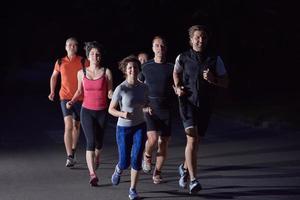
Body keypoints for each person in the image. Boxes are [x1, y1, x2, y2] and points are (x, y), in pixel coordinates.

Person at [173, 25, 229, 194]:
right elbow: (176, 73)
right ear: (190, 40)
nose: (200, 40)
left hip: (205, 106)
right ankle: (193, 180)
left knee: (196, 142)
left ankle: (183, 167)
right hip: (187, 103)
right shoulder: (182, 57)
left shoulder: (215, 59)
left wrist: (213, 80)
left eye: (203, 37)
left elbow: (226, 82)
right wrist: (177, 87)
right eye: (197, 37)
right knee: (191, 140)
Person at [66, 41, 113, 186]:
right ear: (88, 56)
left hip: (102, 112)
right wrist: (72, 102)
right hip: (87, 111)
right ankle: (92, 174)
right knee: (90, 142)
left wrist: (117, 97)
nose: (95, 56)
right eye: (92, 54)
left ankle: (97, 157)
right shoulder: (82, 73)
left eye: (97, 54)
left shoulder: (106, 72)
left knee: (99, 143)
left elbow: (110, 91)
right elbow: (79, 91)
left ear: (100, 56)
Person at [108, 55, 151, 200]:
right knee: (125, 160)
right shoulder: (121, 88)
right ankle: (119, 169)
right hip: (123, 128)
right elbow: (111, 109)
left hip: (140, 125)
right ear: (125, 71)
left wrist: (148, 108)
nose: (133, 70)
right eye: (130, 68)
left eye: (135, 67)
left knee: (137, 157)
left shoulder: (144, 87)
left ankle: (133, 190)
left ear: (139, 69)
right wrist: (122, 113)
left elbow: (144, 104)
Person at [138, 36, 174, 184]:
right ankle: (147, 155)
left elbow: (178, 84)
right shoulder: (146, 67)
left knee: (163, 142)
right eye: (157, 46)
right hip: (150, 108)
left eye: (162, 46)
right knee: (152, 139)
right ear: (153, 48)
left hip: (166, 109)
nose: (160, 49)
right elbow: (137, 87)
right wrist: (143, 106)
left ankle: (157, 172)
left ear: (166, 48)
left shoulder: (172, 67)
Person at [48, 37, 88, 168]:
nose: (72, 47)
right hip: (64, 97)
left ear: (77, 47)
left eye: (75, 45)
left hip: (80, 98)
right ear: (65, 47)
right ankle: (69, 156)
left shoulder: (83, 61)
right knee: (68, 125)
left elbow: (91, 76)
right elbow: (54, 76)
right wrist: (52, 91)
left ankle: (74, 150)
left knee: (77, 126)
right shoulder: (60, 62)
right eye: (69, 45)